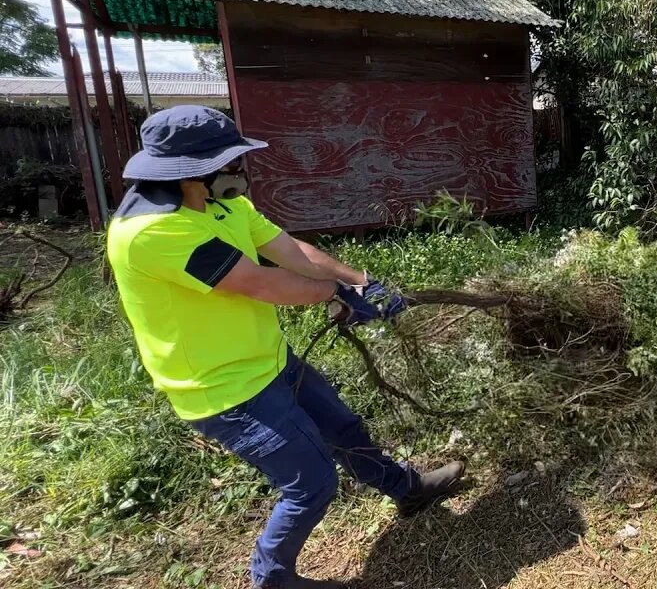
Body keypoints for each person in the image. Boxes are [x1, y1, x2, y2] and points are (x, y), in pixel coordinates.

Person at [106, 105, 464, 589]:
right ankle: (272, 579)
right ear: (198, 171)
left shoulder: (221, 204)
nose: (239, 168)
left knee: (344, 428)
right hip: (226, 393)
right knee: (310, 485)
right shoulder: (153, 232)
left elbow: (292, 252)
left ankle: (408, 489)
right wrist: (336, 296)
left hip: (271, 362)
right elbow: (258, 283)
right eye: (231, 161)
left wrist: (359, 280)